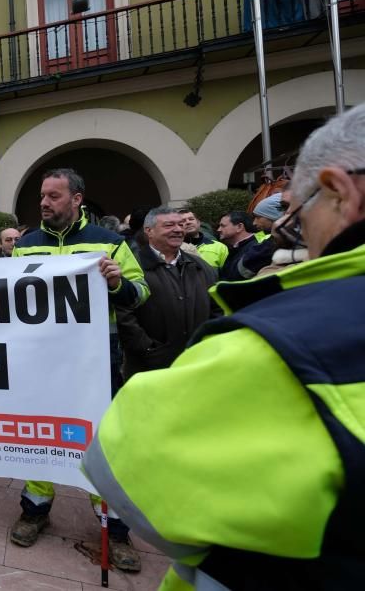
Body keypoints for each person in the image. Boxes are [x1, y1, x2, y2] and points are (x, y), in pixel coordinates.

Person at [83, 104, 365, 591]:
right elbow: (133, 314)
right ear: (148, 231)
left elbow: (130, 473)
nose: (302, 237)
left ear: (342, 192)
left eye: (299, 214)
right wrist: (152, 355)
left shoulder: (275, 338)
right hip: (149, 361)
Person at [10, 168, 149, 571]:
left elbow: (140, 294)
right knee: (39, 434)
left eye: (54, 196)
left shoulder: (109, 242)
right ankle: (35, 509)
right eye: (42, 196)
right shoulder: (25, 245)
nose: (44, 203)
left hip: (94, 363)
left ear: (77, 199)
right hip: (38, 363)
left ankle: (116, 530)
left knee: (100, 446)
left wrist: (117, 283)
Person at [116, 207, 216, 381]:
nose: (178, 229)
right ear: (149, 231)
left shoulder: (200, 266)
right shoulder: (132, 266)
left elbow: (216, 308)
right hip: (149, 368)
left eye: (181, 225)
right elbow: (123, 314)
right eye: (169, 225)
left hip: (197, 362)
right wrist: (148, 349)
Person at [218, 211, 257, 281]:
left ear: (239, 227)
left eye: (223, 226)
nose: (218, 230)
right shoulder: (236, 248)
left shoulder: (254, 249)